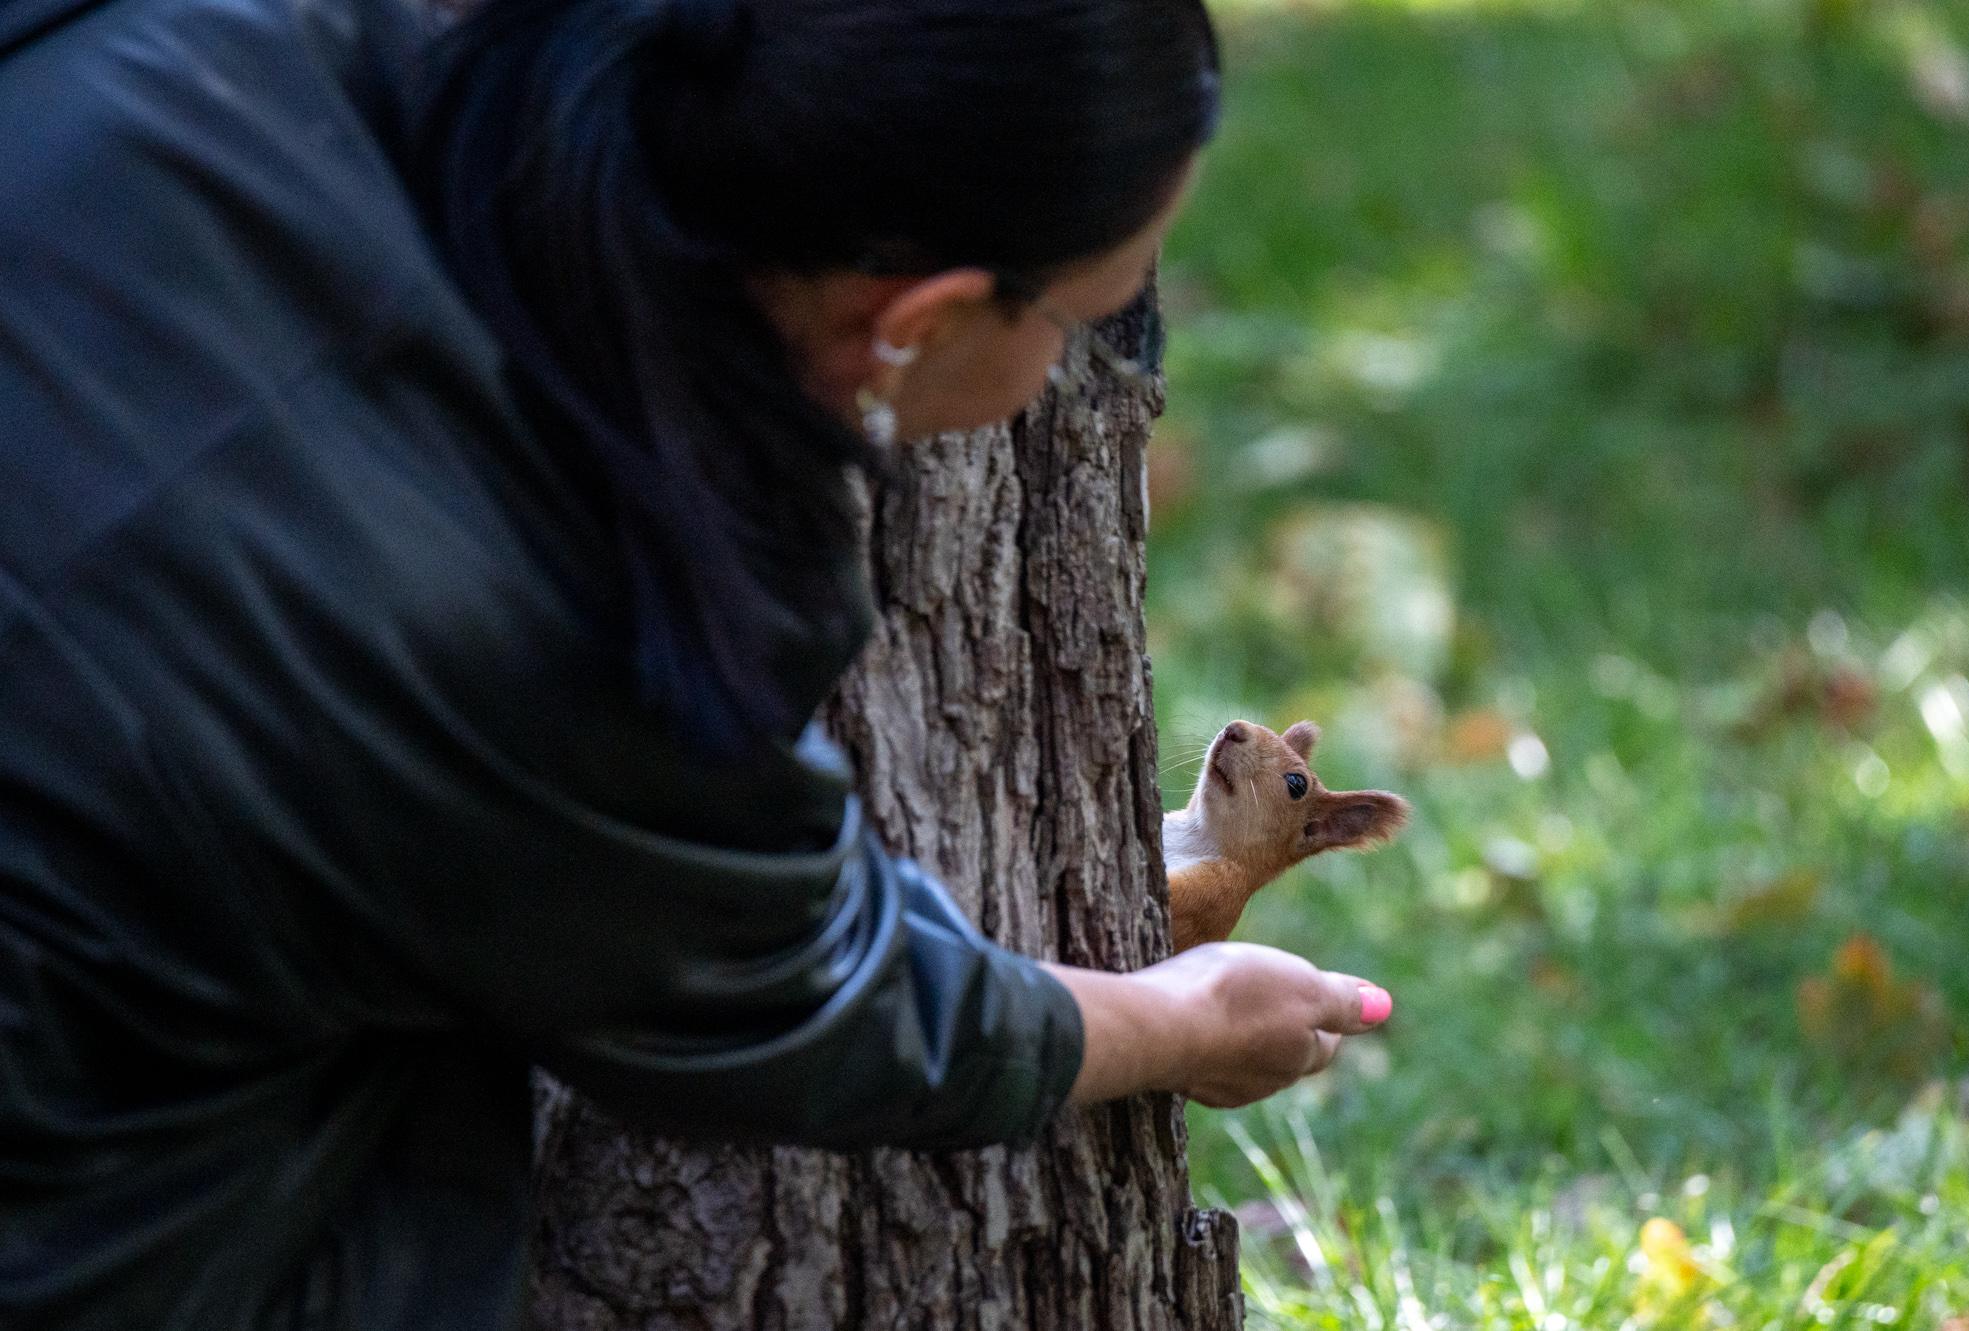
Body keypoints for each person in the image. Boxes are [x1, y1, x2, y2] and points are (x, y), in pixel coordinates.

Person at [0, 0, 1393, 1325]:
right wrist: (1181, 1020)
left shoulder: (216, 43)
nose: (1087, 359)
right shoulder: (557, 644)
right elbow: (813, 994)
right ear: (915, 319)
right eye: (1095, 321)